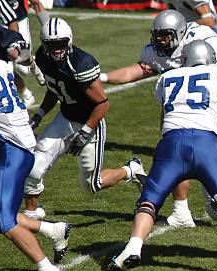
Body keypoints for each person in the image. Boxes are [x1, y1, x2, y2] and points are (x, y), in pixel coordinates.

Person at [104, 40, 217, 271]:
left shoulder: (167, 77)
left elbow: (164, 119)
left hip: (171, 142)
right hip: (206, 144)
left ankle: (133, 247)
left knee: (149, 200)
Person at [100, 11, 217, 228]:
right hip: (183, 107)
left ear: (181, 33)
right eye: (158, 35)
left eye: (166, 35)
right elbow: (138, 70)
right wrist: (103, 77)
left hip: (213, 105)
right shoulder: (156, 52)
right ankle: (181, 210)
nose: (161, 40)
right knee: (177, 149)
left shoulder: (201, 37)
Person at [23, 18, 146, 220]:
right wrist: (39, 115)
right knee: (35, 167)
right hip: (65, 119)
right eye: (51, 45)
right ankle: (31, 213)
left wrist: (85, 131)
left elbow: (102, 104)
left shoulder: (80, 64)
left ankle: (131, 169)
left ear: (69, 40)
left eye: (60, 44)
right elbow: (55, 90)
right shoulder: (44, 59)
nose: (56, 49)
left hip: (90, 123)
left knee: (92, 185)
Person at [0, 33, 70, 271]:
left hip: (12, 153)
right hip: (16, 149)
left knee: (2, 218)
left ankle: (47, 269)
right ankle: (52, 230)